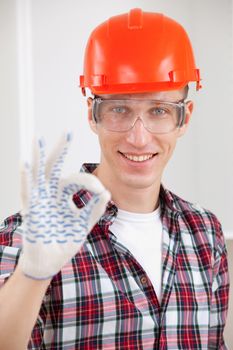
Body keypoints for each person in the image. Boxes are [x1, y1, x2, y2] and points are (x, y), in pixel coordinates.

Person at [0, 8, 229, 350]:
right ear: (92, 114)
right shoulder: (30, 234)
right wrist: (33, 276)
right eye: (119, 110)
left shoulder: (205, 233)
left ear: (184, 119)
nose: (139, 138)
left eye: (159, 111)